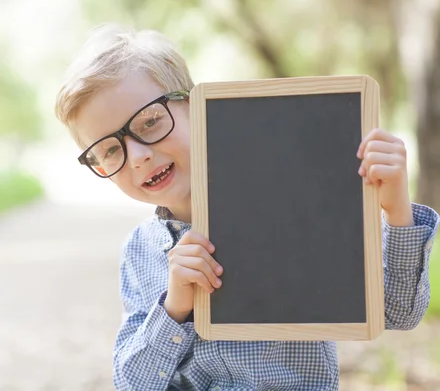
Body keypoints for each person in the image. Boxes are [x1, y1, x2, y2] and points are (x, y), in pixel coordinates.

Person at [54, 24, 439, 390]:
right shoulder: (140, 252)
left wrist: (396, 211)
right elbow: (132, 383)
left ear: (195, 106)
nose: (137, 156)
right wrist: (173, 309)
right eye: (108, 150)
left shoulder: (294, 210)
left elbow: (400, 314)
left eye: (150, 122)